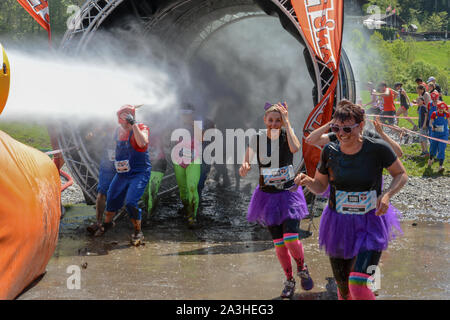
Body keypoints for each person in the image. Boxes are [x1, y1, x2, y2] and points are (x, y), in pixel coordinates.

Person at [295, 102, 407, 300]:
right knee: (344, 291)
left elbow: (401, 174)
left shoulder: (377, 149)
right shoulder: (329, 150)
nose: (341, 134)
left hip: (370, 222)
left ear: (361, 125)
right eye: (336, 128)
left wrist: (388, 194)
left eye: (347, 128)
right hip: (338, 223)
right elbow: (321, 186)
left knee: (358, 285)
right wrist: (308, 181)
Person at [239, 101, 313, 299]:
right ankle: (289, 280)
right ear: (265, 120)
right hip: (267, 195)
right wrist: (245, 165)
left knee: (290, 238)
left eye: (277, 121)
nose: (273, 123)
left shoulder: (286, 135)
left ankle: (302, 267)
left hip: (288, 194)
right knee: (279, 244)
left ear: (282, 121)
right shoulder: (257, 139)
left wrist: (287, 124)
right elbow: (247, 158)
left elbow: (296, 148)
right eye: (270, 120)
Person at [96, 105, 151, 246]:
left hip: (139, 172)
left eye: (126, 118)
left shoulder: (142, 128)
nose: (123, 122)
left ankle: (138, 231)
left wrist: (134, 126)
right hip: (122, 174)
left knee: (131, 202)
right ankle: (107, 224)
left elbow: (142, 142)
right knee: (112, 197)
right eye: (121, 118)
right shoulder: (117, 131)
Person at [171, 103, 202, 227]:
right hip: (178, 160)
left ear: (192, 114)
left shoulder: (197, 124)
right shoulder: (175, 125)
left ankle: (192, 217)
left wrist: (191, 126)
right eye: (183, 114)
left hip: (194, 159)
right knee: (183, 190)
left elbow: (202, 138)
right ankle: (187, 209)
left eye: (187, 114)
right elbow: (168, 139)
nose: (185, 117)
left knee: (192, 187)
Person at [86, 126, 117, 235]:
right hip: (107, 166)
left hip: (123, 166)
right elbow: (89, 138)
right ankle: (98, 222)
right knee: (101, 193)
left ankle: (109, 222)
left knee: (119, 194)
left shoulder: (126, 129)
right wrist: (92, 133)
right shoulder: (104, 129)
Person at [141, 124, 167, 225]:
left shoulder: (161, 129)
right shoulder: (138, 131)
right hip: (144, 164)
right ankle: (150, 208)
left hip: (159, 163)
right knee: (144, 194)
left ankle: (149, 217)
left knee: (152, 189)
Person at [428, 102, 449, 173]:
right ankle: (430, 159)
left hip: (444, 134)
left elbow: (449, 123)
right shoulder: (434, 114)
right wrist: (432, 126)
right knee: (433, 148)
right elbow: (430, 123)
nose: (441, 110)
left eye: (442, 109)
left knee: (442, 148)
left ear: (444, 109)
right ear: (438, 108)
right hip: (435, 134)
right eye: (440, 108)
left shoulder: (447, 114)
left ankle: (440, 166)